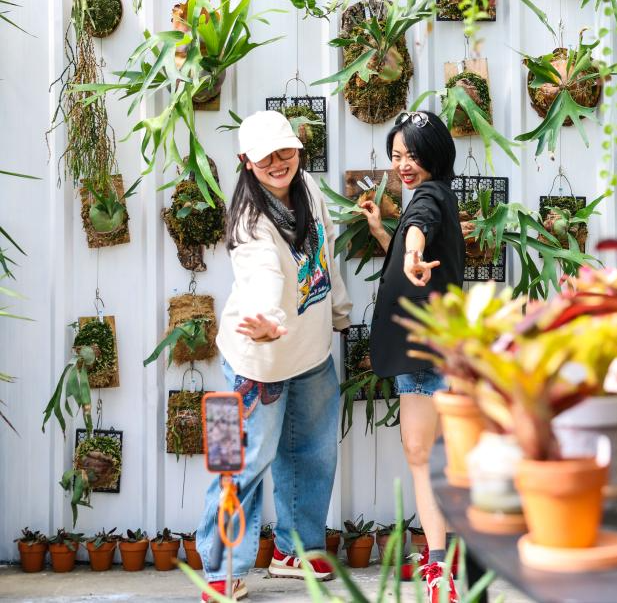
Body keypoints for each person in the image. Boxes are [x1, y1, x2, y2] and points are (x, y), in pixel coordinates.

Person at [194, 110, 352, 602]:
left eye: (286, 151)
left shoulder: (309, 187)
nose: (278, 163)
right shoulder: (248, 222)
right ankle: (220, 567)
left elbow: (325, 253)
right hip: (253, 361)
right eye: (265, 158)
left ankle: (296, 550)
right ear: (246, 161)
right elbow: (263, 274)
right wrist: (265, 320)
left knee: (313, 455)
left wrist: (339, 310)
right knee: (238, 462)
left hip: (310, 352)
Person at [361, 110, 465, 602]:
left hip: (422, 354)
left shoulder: (426, 198)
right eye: (397, 155)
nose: (403, 165)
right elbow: (415, 238)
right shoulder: (441, 195)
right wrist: (387, 236)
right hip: (439, 346)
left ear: (435, 156)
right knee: (438, 457)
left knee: (422, 457)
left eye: (413, 155)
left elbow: (419, 228)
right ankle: (448, 557)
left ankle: (439, 570)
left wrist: (410, 251)